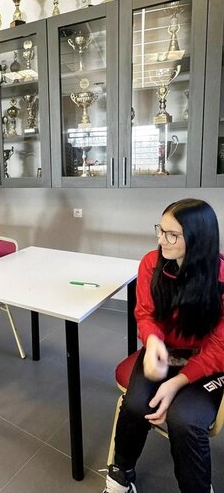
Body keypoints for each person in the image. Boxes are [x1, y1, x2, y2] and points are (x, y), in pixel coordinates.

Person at [104, 198, 224, 493]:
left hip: (206, 361)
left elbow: (219, 346)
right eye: (161, 230)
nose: (161, 240)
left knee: (185, 420)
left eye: (172, 235)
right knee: (135, 405)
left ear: (198, 238)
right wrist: (153, 340)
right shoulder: (151, 263)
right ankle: (121, 474)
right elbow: (145, 313)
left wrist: (177, 383)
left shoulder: (220, 278)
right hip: (164, 351)